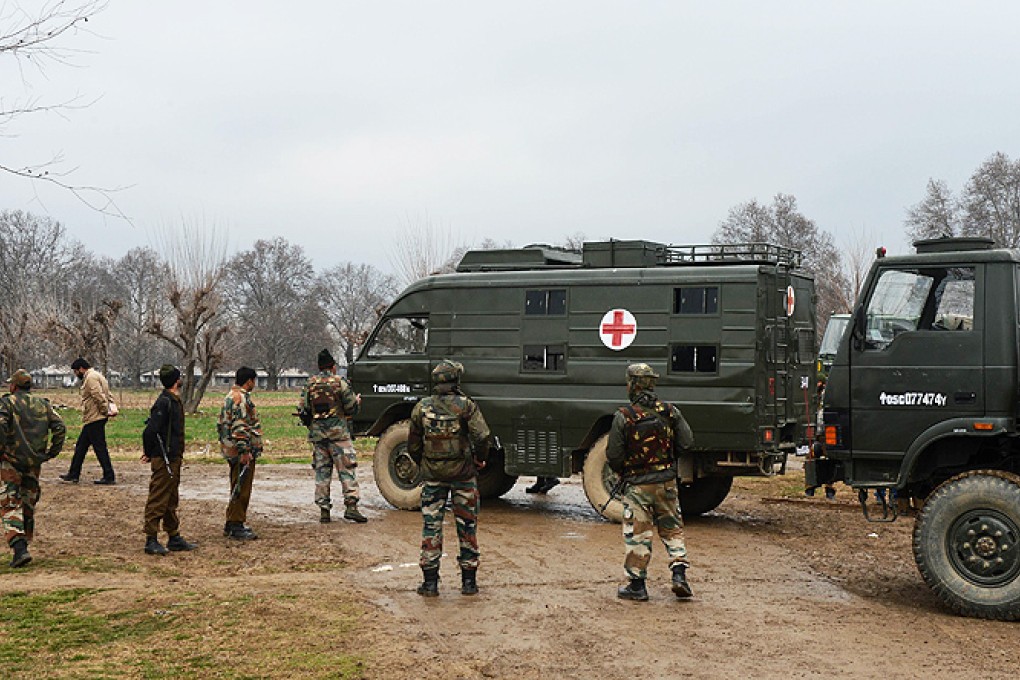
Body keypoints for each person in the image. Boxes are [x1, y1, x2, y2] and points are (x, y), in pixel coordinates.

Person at [606, 363, 694, 602]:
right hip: (666, 482)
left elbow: (614, 456)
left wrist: (625, 471)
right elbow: (687, 443)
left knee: (638, 534)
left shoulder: (623, 417)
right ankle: (679, 575)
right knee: (672, 528)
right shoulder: (670, 411)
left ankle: (637, 586)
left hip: (638, 486)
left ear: (632, 385)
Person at [408, 359, 491, 597]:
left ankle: (430, 583)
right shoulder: (466, 406)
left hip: (433, 477)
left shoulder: (422, 407)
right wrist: (479, 459)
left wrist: (425, 462)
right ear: (456, 381)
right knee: (467, 527)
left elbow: (412, 443)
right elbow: (483, 435)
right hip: (463, 475)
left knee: (431, 527)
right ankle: (469, 583)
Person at [0, 369, 66, 568]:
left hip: (10, 461)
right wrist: (50, 453)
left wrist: (2, 449)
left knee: (10, 501)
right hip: (34, 462)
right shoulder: (43, 404)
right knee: (29, 501)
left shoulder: (8, 403)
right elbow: (60, 427)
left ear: (13, 386)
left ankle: (19, 546)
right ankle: (25, 544)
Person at [298, 349, 366, 524]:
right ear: (333, 366)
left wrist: (313, 426)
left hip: (319, 437)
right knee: (347, 471)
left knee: (322, 473)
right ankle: (351, 507)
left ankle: (324, 511)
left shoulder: (310, 384)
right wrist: (357, 402)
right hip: (339, 436)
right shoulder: (340, 383)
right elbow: (351, 407)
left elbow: (303, 409)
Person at [141, 365, 197, 556]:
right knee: (158, 497)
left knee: (171, 498)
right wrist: (149, 452)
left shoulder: (173, 400)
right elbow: (150, 431)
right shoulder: (164, 402)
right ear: (175, 380)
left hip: (173, 457)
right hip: (164, 458)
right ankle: (151, 539)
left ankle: (173, 536)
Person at [218, 367, 263, 540]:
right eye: (254, 381)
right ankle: (236, 524)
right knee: (241, 487)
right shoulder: (241, 399)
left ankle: (232, 522)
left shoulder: (230, 396)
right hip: (239, 450)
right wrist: (245, 451)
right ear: (249, 380)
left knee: (236, 483)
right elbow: (240, 426)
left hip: (231, 448)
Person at [59, 357, 117, 485]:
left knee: (99, 447)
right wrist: (110, 407)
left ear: (81, 369)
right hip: (94, 417)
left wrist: (104, 410)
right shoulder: (98, 376)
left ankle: (109, 475)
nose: (76, 374)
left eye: (76, 371)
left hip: (95, 417)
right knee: (81, 446)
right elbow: (108, 393)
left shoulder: (90, 378)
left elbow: (98, 395)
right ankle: (73, 473)